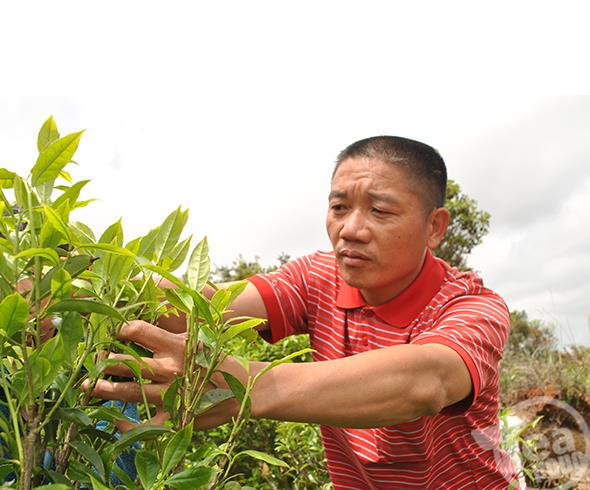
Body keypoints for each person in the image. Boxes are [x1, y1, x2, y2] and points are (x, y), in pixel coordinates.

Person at [85, 136, 519, 489]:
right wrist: (80, 281)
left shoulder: (473, 306)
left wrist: (247, 388)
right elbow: (209, 308)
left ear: (435, 227)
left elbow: (426, 380)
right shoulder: (317, 277)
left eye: (380, 210)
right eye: (339, 208)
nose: (350, 230)